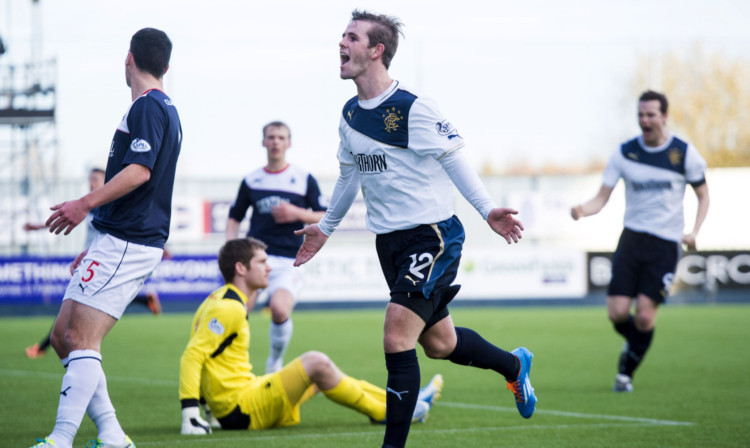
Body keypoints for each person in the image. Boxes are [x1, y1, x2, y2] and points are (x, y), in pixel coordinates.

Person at [293, 10, 536, 448]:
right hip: (390, 243)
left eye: (351, 37)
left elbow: (453, 157)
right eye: (342, 36)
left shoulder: (412, 107)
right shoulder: (349, 114)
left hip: (433, 235)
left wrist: (486, 211)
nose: (341, 44)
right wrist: (325, 227)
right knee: (440, 344)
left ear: (376, 50)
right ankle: (515, 367)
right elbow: (350, 177)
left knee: (395, 332)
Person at [31, 27, 181, 448]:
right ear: (165, 66)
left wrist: (83, 205)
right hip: (116, 238)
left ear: (128, 59)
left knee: (81, 338)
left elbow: (139, 172)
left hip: (129, 239)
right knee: (63, 337)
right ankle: (113, 434)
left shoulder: (148, 107)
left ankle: (61, 439)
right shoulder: (159, 107)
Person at [179, 237, 443, 434]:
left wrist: (210, 410)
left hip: (240, 400)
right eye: (261, 262)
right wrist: (191, 413)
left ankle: (404, 401)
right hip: (241, 408)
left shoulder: (216, 299)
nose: (269, 268)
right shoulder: (228, 308)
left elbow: (210, 357)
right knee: (316, 362)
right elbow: (193, 356)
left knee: (321, 376)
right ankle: (390, 414)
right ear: (241, 268)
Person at [571, 90, 710, 392]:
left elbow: (703, 195)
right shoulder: (625, 152)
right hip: (631, 239)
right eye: (641, 114)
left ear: (664, 117)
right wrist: (583, 210)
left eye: (650, 114)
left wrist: (695, 231)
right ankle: (638, 344)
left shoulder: (684, 154)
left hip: (665, 243)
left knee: (645, 316)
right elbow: (601, 198)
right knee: (617, 313)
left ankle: (625, 374)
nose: (645, 120)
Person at [24, 168, 162, 360]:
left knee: (72, 316)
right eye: (90, 179)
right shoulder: (92, 203)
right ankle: (144, 300)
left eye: (95, 179)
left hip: (101, 262)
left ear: (107, 180)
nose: (91, 183)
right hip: (90, 259)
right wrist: (36, 227)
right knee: (95, 306)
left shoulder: (105, 203)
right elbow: (66, 215)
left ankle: (43, 348)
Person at [225, 121, 327, 373]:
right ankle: (231, 367)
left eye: (281, 138)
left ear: (289, 143)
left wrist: (296, 212)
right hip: (254, 258)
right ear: (263, 142)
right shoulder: (252, 180)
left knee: (280, 310)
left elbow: (324, 215)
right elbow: (234, 216)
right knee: (236, 313)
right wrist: (230, 245)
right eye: (270, 137)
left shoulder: (303, 179)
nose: (275, 142)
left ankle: (274, 361)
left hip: (288, 259)